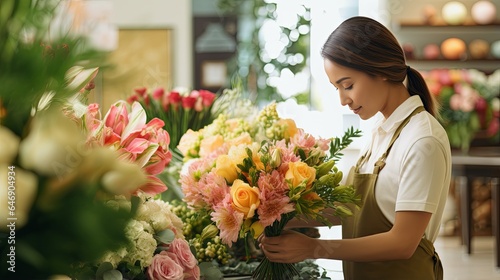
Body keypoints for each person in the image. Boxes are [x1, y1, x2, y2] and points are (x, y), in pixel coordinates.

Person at [259, 16, 452, 280]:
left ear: (381, 70)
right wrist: (274, 215)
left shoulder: (422, 141)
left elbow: (402, 242)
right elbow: (351, 209)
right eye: (336, 87)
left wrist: (313, 247)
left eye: (347, 85)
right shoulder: (380, 133)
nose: (342, 99)